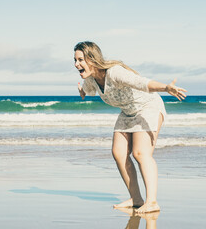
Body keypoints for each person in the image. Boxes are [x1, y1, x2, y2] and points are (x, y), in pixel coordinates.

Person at [74, 41, 187, 213]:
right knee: (118, 153)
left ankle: (152, 201)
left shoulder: (114, 72)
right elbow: (89, 91)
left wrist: (165, 87)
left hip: (147, 107)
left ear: (91, 58)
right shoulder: (92, 79)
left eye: (80, 60)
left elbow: (142, 83)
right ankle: (136, 198)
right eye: (75, 60)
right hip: (128, 112)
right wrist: (83, 93)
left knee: (141, 153)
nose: (76, 64)